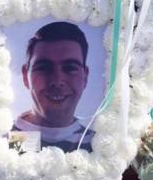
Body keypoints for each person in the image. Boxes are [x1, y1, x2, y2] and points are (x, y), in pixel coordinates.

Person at [11, 21, 94, 152]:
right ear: (25, 76)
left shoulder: (100, 145)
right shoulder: (6, 142)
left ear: (85, 77)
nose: (57, 80)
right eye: (44, 68)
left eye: (70, 68)